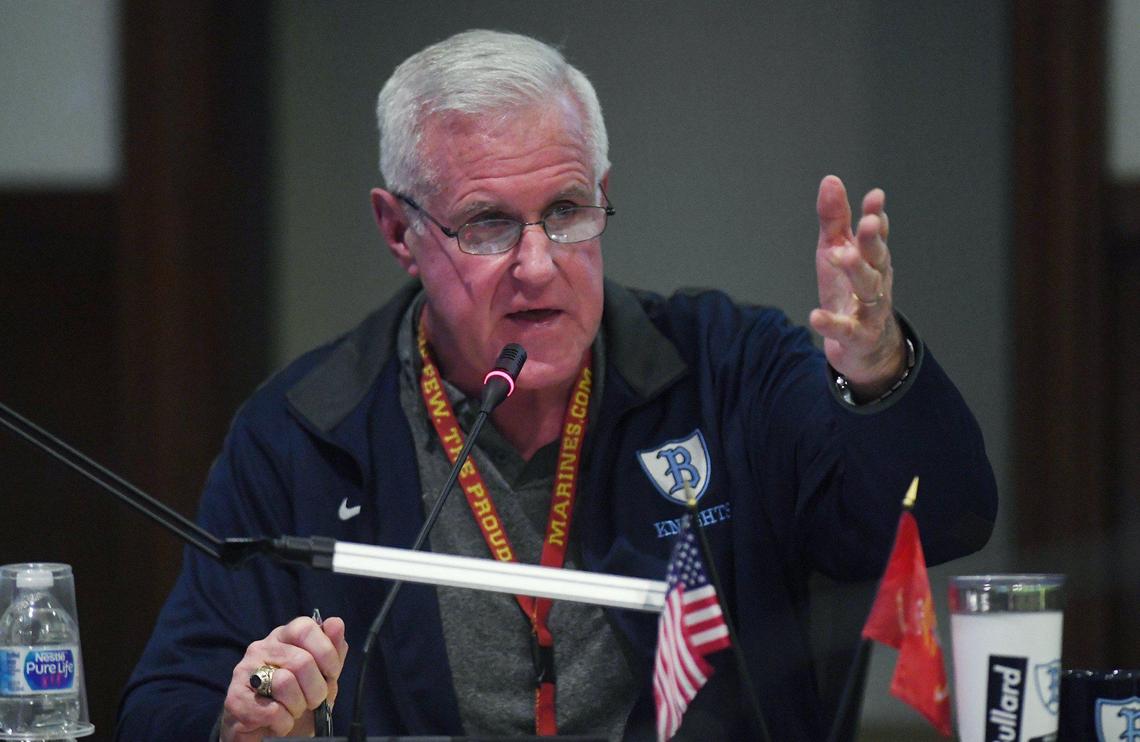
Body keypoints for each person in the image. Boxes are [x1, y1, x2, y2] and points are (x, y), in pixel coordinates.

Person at [116, 29, 997, 741]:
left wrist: (879, 368)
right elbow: (169, 701)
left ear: (604, 194)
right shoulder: (303, 433)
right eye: (488, 224)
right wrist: (251, 709)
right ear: (398, 229)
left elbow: (947, 517)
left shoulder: (729, 371)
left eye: (568, 212)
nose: (538, 266)